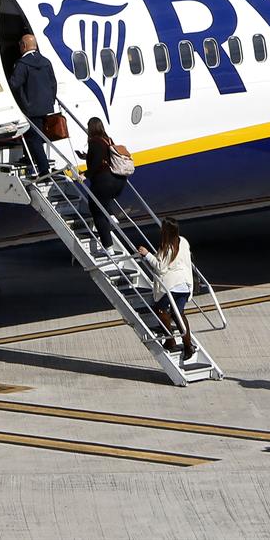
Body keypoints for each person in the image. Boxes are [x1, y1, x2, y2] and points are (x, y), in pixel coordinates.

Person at [134, 218, 194, 361]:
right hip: (185, 284)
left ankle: (171, 340)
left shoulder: (166, 246)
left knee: (161, 310)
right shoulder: (183, 241)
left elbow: (161, 268)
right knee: (178, 314)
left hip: (171, 285)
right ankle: (188, 345)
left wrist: (147, 254)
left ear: (165, 231)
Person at [6, 33, 57, 176]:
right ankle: (28, 157)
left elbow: (14, 84)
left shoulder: (22, 64)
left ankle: (44, 169)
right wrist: (50, 101)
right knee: (33, 135)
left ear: (23, 46)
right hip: (45, 106)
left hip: (30, 107)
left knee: (34, 138)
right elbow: (53, 83)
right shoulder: (46, 62)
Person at [82, 117, 127, 252]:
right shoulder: (108, 140)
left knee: (97, 212)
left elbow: (96, 163)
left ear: (91, 128)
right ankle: (112, 216)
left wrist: (85, 174)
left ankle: (109, 248)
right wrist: (85, 156)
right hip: (118, 180)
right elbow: (104, 157)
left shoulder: (94, 141)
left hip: (103, 180)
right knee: (102, 200)